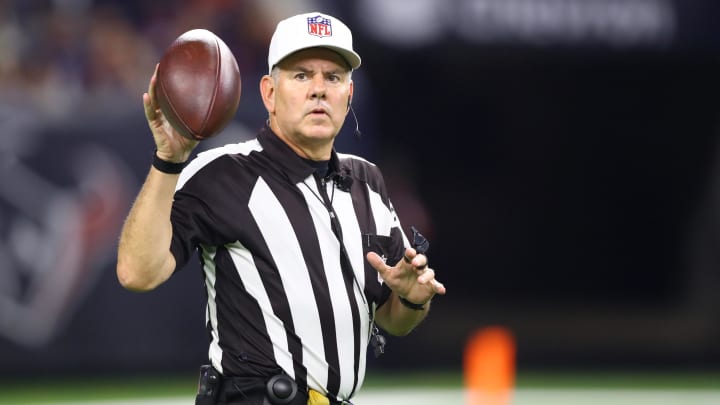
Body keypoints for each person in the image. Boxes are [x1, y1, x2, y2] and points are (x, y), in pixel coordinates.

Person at [116, 11, 446, 405]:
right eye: (302, 75)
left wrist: (411, 299)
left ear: (349, 95)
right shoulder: (225, 174)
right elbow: (138, 272)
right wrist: (168, 160)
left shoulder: (366, 181)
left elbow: (393, 320)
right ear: (270, 92)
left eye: (333, 77)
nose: (319, 90)